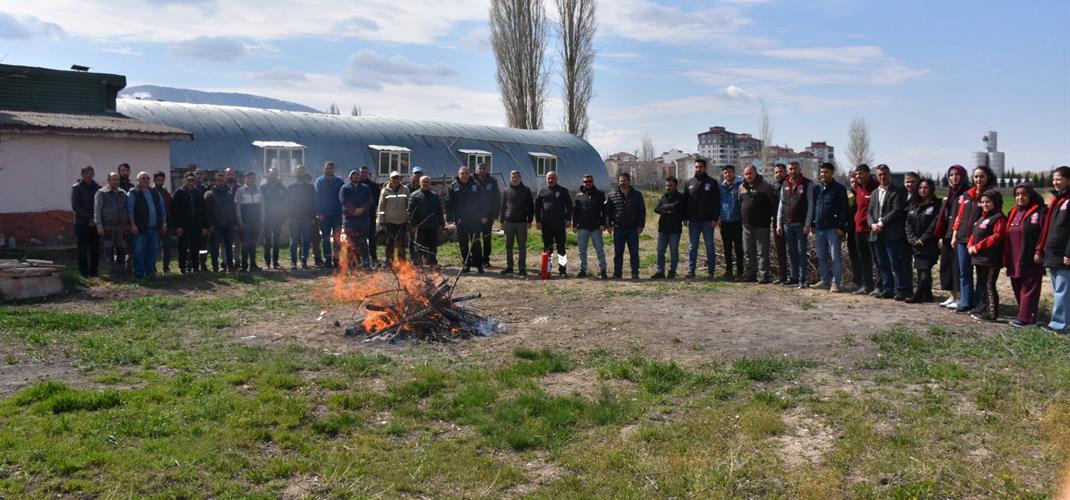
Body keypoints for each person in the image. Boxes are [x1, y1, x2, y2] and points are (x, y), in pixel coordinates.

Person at [951, 166, 997, 312]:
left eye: (981, 176)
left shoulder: (991, 195)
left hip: (979, 241)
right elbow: (959, 216)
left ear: (988, 177)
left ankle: (979, 303)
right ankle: (965, 302)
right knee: (964, 272)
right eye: (976, 176)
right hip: (962, 239)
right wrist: (954, 235)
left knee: (981, 275)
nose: (978, 179)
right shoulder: (966, 195)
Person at [1005, 183, 1046, 326]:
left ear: (1030, 196)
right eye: (1017, 194)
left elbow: (1043, 234)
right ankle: (1023, 314)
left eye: (1024, 194)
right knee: (1017, 284)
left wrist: (1039, 250)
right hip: (1014, 256)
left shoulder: (1039, 212)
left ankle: (1027, 319)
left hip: (1030, 256)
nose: (1020, 197)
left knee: (1029, 286)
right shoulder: (1013, 212)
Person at [1035, 166, 1070, 334]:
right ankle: (1062, 321)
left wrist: (1068, 253)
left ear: (1068, 180)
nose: (1055, 182)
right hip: (1053, 251)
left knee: (1062, 290)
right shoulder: (1058, 200)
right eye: (1054, 179)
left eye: (1059, 179)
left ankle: (1059, 324)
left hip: (1064, 253)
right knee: (1059, 289)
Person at [867, 165, 909, 299]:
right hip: (876, 233)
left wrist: (880, 223)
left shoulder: (897, 192)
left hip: (891, 233)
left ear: (889, 174)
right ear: (876, 176)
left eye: (885, 174)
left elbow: (896, 211)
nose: (883, 177)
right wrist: (872, 224)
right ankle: (887, 288)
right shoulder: (874, 193)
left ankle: (900, 290)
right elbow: (869, 212)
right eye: (880, 175)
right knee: (882, 263)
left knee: (895, 263)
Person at [967, 190, 1006, 321]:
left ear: (995, 202)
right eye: (982, 202)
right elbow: (974, 234)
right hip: (979, 258)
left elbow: (997, 236)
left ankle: (992, 313)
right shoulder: (982, 217)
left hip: (991, 259)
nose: (984, 204)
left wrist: (977, 247)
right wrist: (970, 245)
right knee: (983, 285)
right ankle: (983, 308)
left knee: (989, 285)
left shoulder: (999, 217)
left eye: (988, 202)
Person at [812, 162, 850, 292]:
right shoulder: (817, 188)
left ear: (832, 173)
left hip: (833, 229)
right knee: (821, 256)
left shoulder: (839, 188)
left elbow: (844, 209)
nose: (823, 174)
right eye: (821, 172)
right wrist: (812, 223)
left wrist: (841, 227)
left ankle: (836, 282)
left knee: (835, 257)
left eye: (826, 172)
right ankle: (825, 281)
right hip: (819, 228)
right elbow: (814, 207)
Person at [776, 161, 814, 288]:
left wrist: (808, 223)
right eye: (790, 169)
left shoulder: (807, 183)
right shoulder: (785, 183)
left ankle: (802, 279)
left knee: (801, 251)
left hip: (800, 224)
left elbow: (810, 204)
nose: (793, 171)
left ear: (799, 169)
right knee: (791, 251)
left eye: (795, 168)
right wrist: (778, 223)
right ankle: (794, 277)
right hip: (787, 224)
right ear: (788, 170)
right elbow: (781, 204)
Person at [904, 178, 941, 303]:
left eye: (925, 187)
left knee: (924, 271)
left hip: (929, 244)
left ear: (930, 189)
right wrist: (913, 239)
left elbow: (934, 224)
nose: (922, 190)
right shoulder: (914, 204)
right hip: (915, 244)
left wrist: (923, 239)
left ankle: (917, 296)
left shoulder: (936, 204)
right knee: (921, 270)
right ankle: (928, 295)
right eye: (920, 188)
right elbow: (908, 223)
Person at [936, 165, 968, 308]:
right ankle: (952, 295)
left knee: (957, 267)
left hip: (959, 235)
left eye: (957, 174)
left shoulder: (966, 193)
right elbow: (944, 215)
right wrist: (942, 235)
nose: (954, 177)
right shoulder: (949, 193)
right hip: (947, 233)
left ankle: (961, 297)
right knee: (946, 266)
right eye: (951, 175)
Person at [683, 158, 720, 279]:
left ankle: (711, 272)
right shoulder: (689, 182)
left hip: (708, 221)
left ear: (705, 168)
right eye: (697, 167)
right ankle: (691, 271)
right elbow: (685, 201)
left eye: (701, 167)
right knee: (692, 247)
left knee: (709, 246)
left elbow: (717, 202)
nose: (698, 169)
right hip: (693, 221)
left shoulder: (712, 183)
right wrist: (685, 217)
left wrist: (715, 218)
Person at [126, 171, 167, 278]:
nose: (145, 180)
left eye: (147, 178)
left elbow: (162, 210)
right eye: (143, 178)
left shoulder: (155, 193)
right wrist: (132, 225)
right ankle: (139, 273)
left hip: (154, 229)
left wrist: (163, 223)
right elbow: (130, 211)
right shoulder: (133, 193)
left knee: (152, 253)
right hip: (140, 230)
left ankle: (150, 273)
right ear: (138, 180)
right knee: (139, 253)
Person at [739, 165, 775, 283]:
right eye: (746, 174)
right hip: (746, 225)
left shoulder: (766, 187)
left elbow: (772, 205)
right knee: (749, 252)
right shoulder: (741, 187)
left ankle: (764, 276)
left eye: (751, 173)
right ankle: (751, 275)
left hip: (762, 225)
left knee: (762, 252)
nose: (748, 176)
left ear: (756, 173)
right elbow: (740, 204)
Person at [606, 172, 645, 280]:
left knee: (634, 252)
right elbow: (608, 212)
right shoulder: (612, 195)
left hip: (633, 229)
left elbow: (642, 211)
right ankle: (617, 273)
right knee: (618, 253)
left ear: (629, 181)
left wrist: (641, 225)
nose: (622, 183)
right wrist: (608, 225)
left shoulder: (637, 195)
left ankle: (635, 273)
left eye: (624, 180)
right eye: (621, 181)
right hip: (618, 229)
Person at [447, 166, 485, 273]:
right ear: (458, 174)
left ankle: (479, 265)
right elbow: (448, 202)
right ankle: (466, 264)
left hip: (474, 219)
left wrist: (484, 215)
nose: (464, 175)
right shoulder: (453, 186)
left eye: (466, 173)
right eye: (462, 173)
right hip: (460, 220)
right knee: (463, 243)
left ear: (469, 174)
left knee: (475, 242)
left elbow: (482, 202)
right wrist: (449, 218)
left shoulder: (476, 185)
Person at [535, 170, 572, 277]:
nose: (550, 180)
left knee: (561, 248)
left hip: (560, 224)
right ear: (546, 179)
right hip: (546, 225)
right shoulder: (542, 191)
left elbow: (569, 206)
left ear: (557, 179)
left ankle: (563, 270)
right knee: (547, 248)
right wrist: (538, 221)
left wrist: (568, 219)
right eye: (549, 178)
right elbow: (537, 207)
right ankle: (547, 270)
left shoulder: (563, 191)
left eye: (552, 178)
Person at [170, 173, 209, 274]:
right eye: (188, 180)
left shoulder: (199, 193)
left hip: (196, 225)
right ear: (184, 180)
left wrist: (205, 226)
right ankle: (182, 267)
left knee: (195, 247)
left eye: (192, 180)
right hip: (183, 225)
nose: (190, 182)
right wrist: (177, 226)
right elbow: (174, 211)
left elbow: (204, 211)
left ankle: (195, 267)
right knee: (183, 247)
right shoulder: (178, 193)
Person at [851, 164, 880, 294]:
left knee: (877, 259)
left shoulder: (876, 187)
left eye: (861, 173)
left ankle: (880, 286)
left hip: (872, 230)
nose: (858, 176)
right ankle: (867, 285)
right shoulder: (857, 188)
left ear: (868, 173)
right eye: (856, 174)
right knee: (863, 259)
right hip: (859, 229)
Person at [572, 173, 607, 279]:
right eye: (585, 182)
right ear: (583, 182)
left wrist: (603, 224)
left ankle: (603, 270)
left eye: (589, 181)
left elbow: (604, 211)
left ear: (593, 182)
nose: (587, 183)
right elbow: (576, 212)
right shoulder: (578, 196)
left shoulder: (600, 194)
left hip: (596, 227)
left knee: (599, 249)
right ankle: (582, 270)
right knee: (582, 250)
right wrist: (574, 225)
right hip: (582, 227)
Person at [94, 172, 128, 278]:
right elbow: (97, 210)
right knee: (108, 251)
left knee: (121, 250)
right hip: (107, 227)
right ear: (108, 180)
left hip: (121, 227)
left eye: (117, 180)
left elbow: (126, 209)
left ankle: (121, 272)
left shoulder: (123, 193)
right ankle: (112, 273)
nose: (116, 182)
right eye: (113, 180)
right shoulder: (101, 193)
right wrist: (99, 225)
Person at [500, 170, 535, 276]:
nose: (514, 179)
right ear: (510, 178)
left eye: (516, 177)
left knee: (522, 246)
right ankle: (509, 267)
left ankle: (522, 268)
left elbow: (530, 207)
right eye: (512, 177)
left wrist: (529, 220)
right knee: (508, 246)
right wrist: (501, 221)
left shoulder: (526, 190)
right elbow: (502, 207)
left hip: (521, 223)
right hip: (508, 222)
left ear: (520, 178)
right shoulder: (506, 190)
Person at [651, 176, 685, 279]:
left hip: (675, 229)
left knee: (673, 251)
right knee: (660, 251)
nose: (668, 188)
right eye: (666, 185)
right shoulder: (663, 197)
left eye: (670, 185)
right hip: (663, 229)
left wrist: (664, 207)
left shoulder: (681, 197)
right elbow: (656, 209)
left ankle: (672, 271)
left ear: (675, 185)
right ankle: (660, 271)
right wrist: (667, 210)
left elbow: (677, 206)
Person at [340, 169, 374, 272]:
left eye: (357, 174)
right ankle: (352, 264)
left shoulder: (365, 188)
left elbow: (369, 200)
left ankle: (366, 263)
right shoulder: (345, 188)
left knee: (363, 241)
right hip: (350, 219)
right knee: (351, 242)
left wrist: (362, 209)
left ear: (360, 177)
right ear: (350, 177)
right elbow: (343, 201)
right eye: (353, 174)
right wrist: (353, 210)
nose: (356, 176)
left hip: (363, 219)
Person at [71, 165, 101, 278]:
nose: (88, 175)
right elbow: (76, 206)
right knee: (83, 249)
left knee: (95, 249)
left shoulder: (98, 187)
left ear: (93, 174)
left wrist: (95, 219)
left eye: (90, 173)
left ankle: (94, 272)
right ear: (82, 175)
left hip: (95, 223)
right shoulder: (77, 188)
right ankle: (83, 272)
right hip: (82, 223)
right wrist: (89, 218)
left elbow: (99, 205)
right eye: (86, 173)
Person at [286, 165, 318, 270]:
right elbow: (286, 204)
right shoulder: (290, 187)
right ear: (295, 173)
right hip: (293, 218)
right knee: (294, 241)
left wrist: (313, 217)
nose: (301, 173)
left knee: (306, 241)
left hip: (307, 218)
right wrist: (287, 217)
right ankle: (293, 262)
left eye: (302, 171)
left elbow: (313, 203)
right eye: (299, 171)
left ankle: (304, 261)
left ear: (304, 173)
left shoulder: (310, 187)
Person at [409, 175, 445, 266]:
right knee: (419, 246)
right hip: (420, 226)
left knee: (432, 246)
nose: (425, 184)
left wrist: (441, 224)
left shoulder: (435, 196)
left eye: (427, 182)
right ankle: (418, 263)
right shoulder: (414, 196)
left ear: (430, 183)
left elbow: (439, 211)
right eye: (423, 182)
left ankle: (432, 262)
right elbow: (410, 212)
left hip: (433, 226)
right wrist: (412, 225)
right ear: (420, 183)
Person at [205, 172, 238, 273]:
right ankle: (215, 267)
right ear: (214, 181)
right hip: (216, 226)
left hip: (228, 225)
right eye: (218, 180)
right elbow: (207, 212)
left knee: (229, 247)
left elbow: (233, 209)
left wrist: (234, 222)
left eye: (223, 180)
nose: (221, 182)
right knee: (214, 248)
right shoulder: (209, 194)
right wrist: (209, 225)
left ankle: (230, 266)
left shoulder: (228, 193)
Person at [377, 171, 411, 265]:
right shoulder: (384, 191)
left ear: (400, 179)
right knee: (390, 242)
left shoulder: (405, 190)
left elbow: (408, 205)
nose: (395, 180)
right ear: (390, 179)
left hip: (402, 221)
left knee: (401, 242)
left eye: (397, 178)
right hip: (389, 221)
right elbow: (381, 207)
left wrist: (408, 219)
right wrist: (381, 221)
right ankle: (389, 260)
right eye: (393, 178)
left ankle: (402, 261)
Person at [315, 161, 345, 268]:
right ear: (324, 169)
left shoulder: (339, 181)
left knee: (337, 239)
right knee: (326, 238)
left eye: (331, 168)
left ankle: (336, 259)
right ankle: (328, 259)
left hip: (337, 215)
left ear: (334, 169)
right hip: (324, 215)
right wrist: (319, 213)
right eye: (327, 168)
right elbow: (317, 199)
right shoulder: (319, 181)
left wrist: (342, 213)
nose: (329, 170)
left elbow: (343, 198)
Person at [235, 171, 264, 272]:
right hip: (245, 223)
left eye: (253, 178)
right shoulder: (240, 191)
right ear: (245, 179)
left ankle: (253, 264)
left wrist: (262, 219)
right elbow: (237, 208)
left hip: (256, 222)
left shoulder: (259, 190)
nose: (251, 180)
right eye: (249, 178)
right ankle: (244, 266)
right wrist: (239, 221)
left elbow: (262, 206)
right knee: (245, 244)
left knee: (253, 243)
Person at [719, 165, 744, 280]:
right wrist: (719, 217)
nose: (727, 174)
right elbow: (718, 203)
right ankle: (729, 271)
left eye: (729, 172)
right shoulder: (722, 187)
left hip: (737, 221)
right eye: (725, 173)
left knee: (738, 248)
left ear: (734, 173)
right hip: (725, 222)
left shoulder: (740, 185)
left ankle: (740, 272)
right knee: (727, 248)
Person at [475, 163, 500, 268]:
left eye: (483, 168)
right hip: (475, 216)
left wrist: (493, 215)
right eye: (479, 168)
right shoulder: (472, 181)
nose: (481, 170)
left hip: (488, 216)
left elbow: (496, 199)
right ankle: (476, 259)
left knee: (486, 239)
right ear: (476, 170)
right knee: (475, 239)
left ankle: (486, 260)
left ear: (487, 169)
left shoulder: (492, 181)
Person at [261, 167, 287, 270]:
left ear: (277, 176)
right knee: (267, 241)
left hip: (278, 218)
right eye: (271, 174)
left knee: (276, 241)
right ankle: (267, 262)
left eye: (275, 174)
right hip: (267, 218)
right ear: (268, 175)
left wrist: (284, 216)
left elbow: (285, 204)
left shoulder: (281, 188)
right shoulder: (263, 188)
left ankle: (275, 262)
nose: (273, 176)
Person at [770, 163, 790, 284]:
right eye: (776, 172)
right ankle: (783, 276)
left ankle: (795, 276)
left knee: (792, 250)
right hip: (777, 222)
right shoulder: (773, 186)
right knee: (780, 250)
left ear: (785, 172)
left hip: (790, 221)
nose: (778, 174)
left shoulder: (790, 184)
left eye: (781, 171)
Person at [358, 166, 381, 266]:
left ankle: (374, 258)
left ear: (369, 174)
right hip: (357, 216)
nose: (363, 174)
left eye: (365, 172)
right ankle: (359, 259)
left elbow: (377, 202)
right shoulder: (355, 185)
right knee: (359, 238)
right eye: (361, 172)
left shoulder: (374, 186)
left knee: (371, 238)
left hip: (370, 215)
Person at [152, 172, 174, 273]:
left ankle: (166, 268)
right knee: (154, 248)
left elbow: (170, 208)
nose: (160, 182)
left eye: (162, 180)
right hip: (154, 225)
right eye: (158, 180)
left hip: (167, 225)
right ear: (154, 180)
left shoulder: (167, 194)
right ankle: (152, 268)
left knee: (167, 248)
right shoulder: (150, 193)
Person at [407, 166, 426, 261]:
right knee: (412, 239)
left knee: (422, 238)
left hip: (423, 217)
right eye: (416, 174)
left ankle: (423, 257)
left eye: (419, 174)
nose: (418, 175)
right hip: (412, 217)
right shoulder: (407, 187)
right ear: (412, 175)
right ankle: (414, 258)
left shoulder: (425, 186)